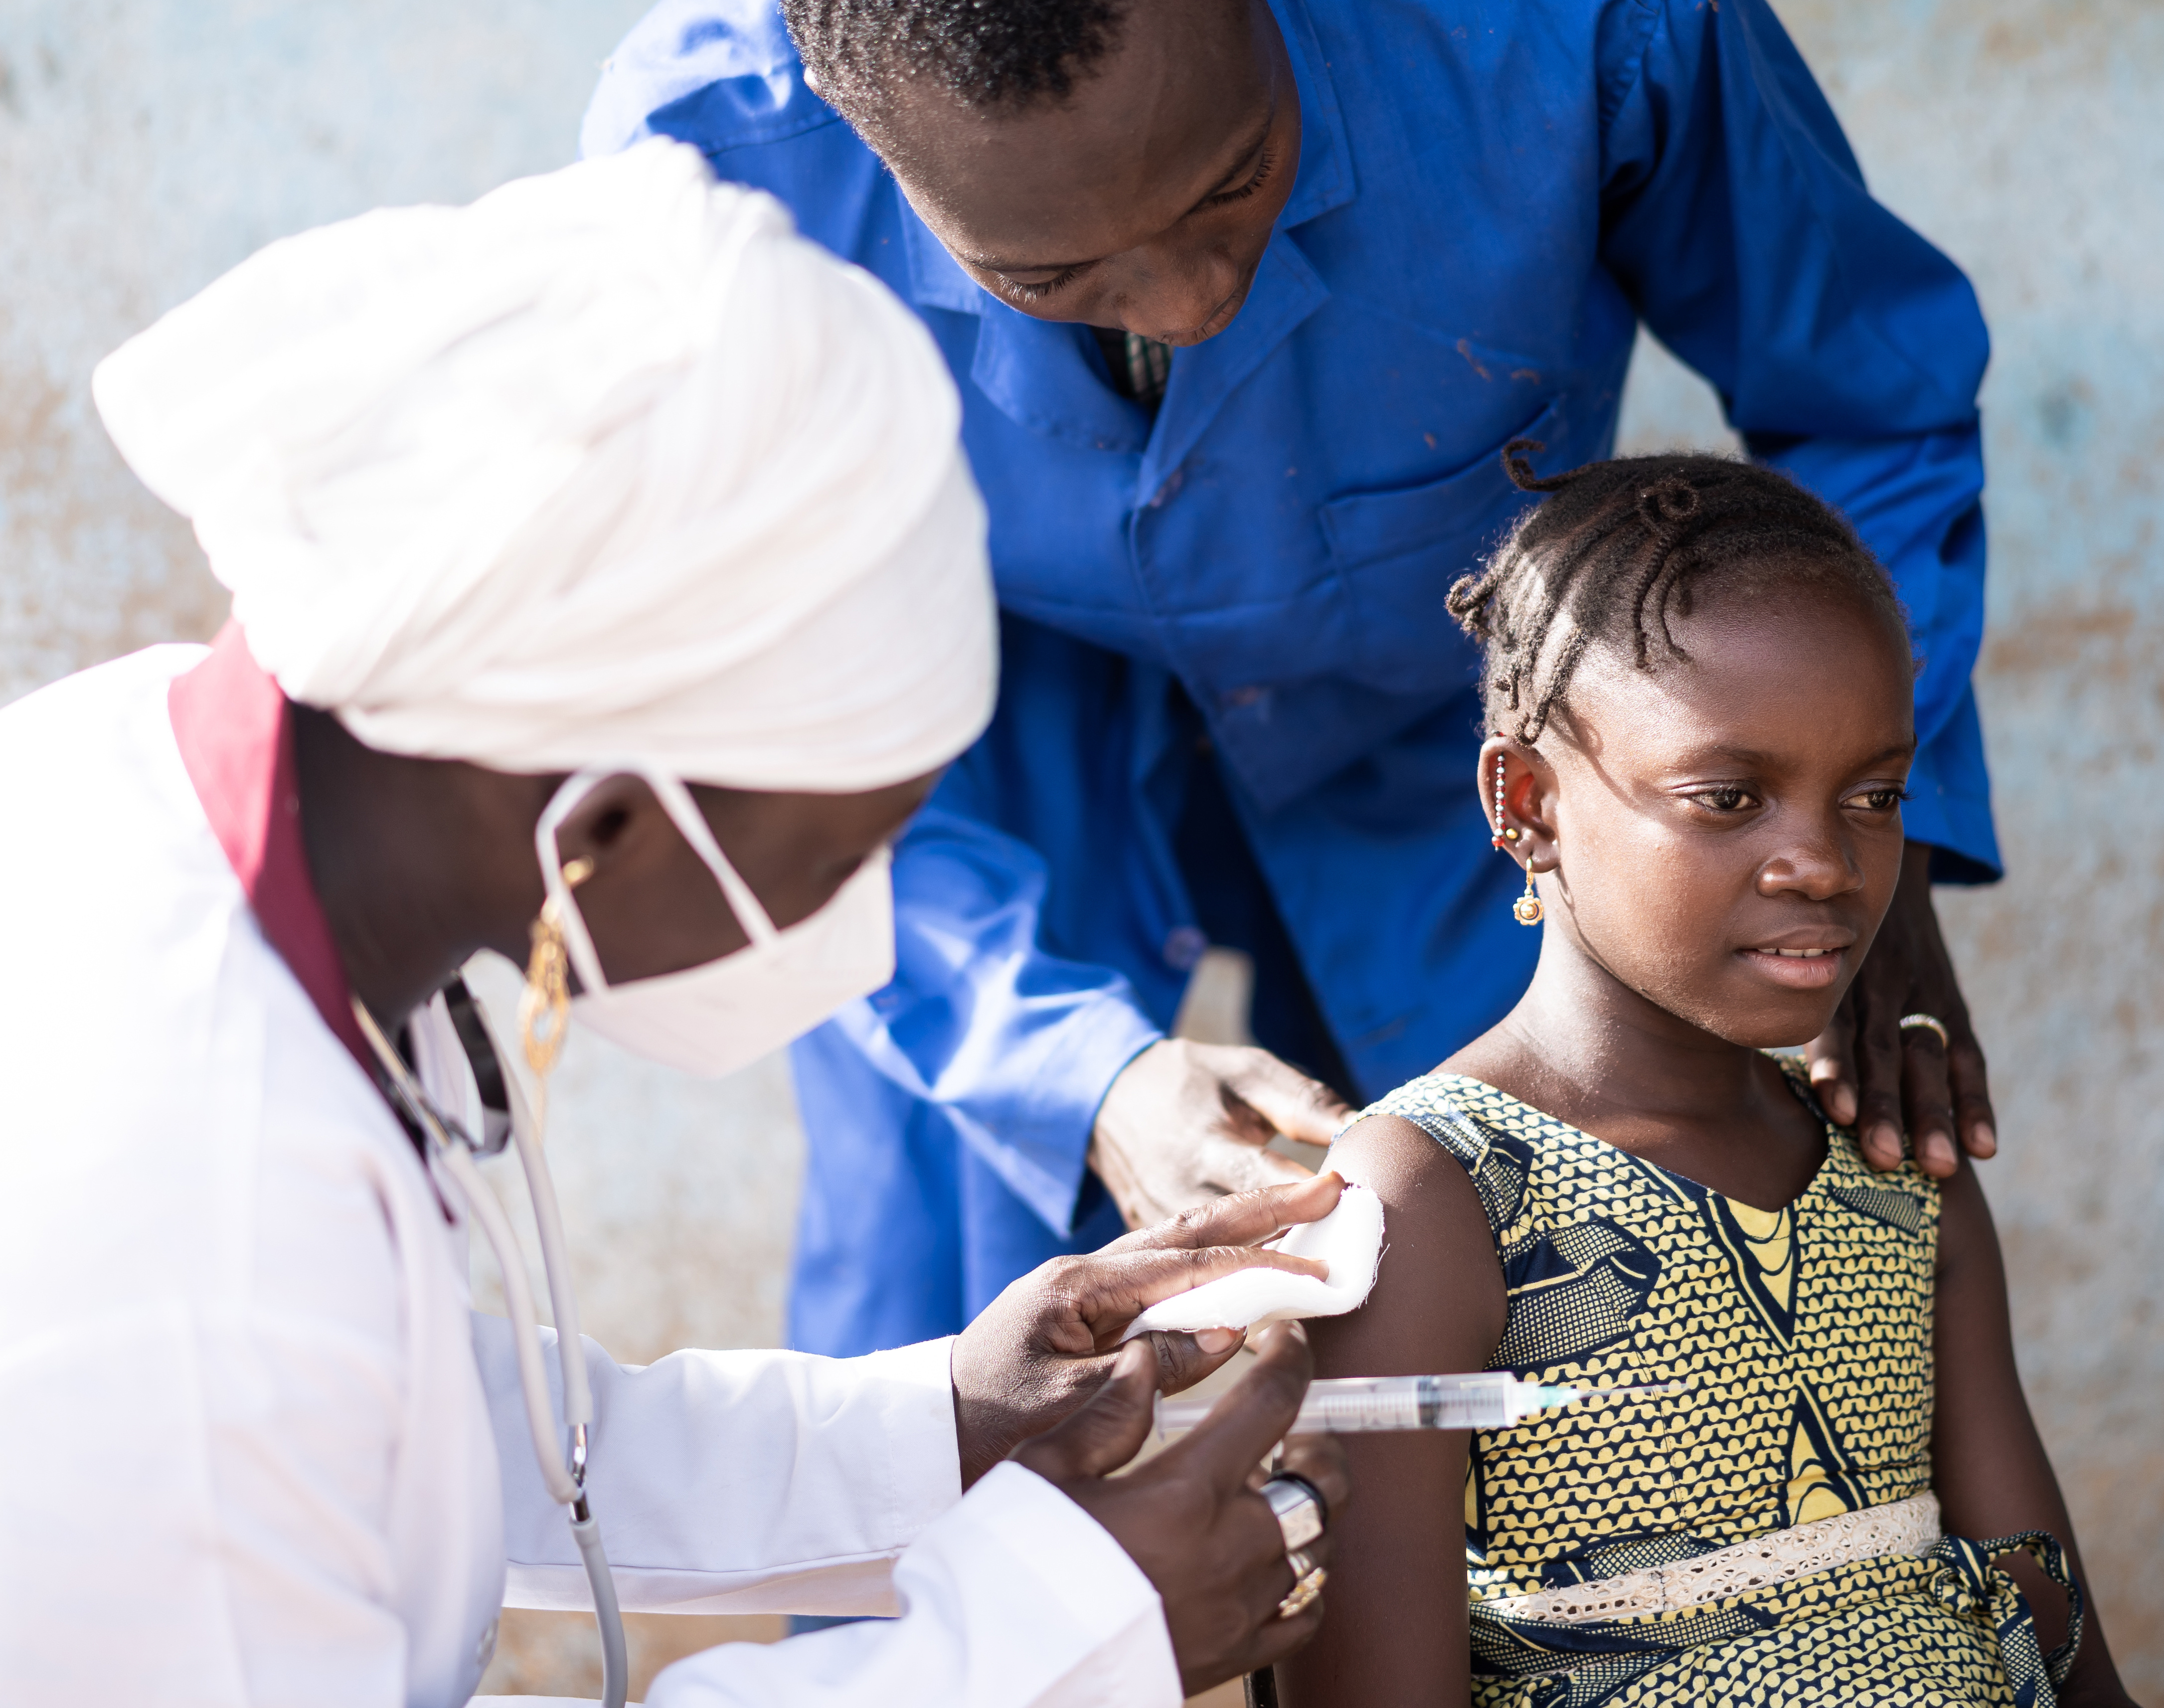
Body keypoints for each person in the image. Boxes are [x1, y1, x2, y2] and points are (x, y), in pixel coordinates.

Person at [0, 141, 1347, 1708]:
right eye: (846, 849)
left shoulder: (192, 792)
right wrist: (1058, 1637)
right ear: (606, 829)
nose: (860, 916)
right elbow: (256, 1397)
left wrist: (950, 1416)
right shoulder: (186, 1217)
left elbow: (399, 1433)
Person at [582, 0, 2009, 1362]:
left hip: (1438, 702)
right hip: (957, 744)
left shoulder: (1584, 15)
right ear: (850, 119)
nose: (1192, 299)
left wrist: (1877, 819)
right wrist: (1078, 1072)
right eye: (1049, 276)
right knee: (957, 1344)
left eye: (1233, 180)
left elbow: (1863, 408)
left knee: (1579, 1261)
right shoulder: (705, 165)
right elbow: (753, 699)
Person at [1282, 450, 2138, 1706]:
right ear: (1527, 801)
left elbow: (2052, 1630)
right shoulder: (1434, 1197)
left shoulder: (1895, 1170)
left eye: (1875, 794)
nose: (1823, 862)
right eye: (1729, 795)